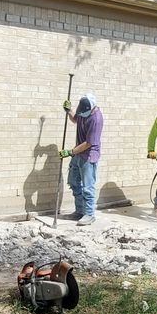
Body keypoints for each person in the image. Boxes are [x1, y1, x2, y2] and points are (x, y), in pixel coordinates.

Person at [60, 94, 103, 226]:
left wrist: (70, 152)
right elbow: (75, 120)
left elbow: (89, 143)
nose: (82, 115)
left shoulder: (96, 119)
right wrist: (69, 111)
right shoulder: (83, 111)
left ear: (90, 109)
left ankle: (89, 214)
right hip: (78, 153)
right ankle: (80, 211)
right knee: (73, 182)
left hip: (89, 155)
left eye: (83, 113)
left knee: (88, 187)